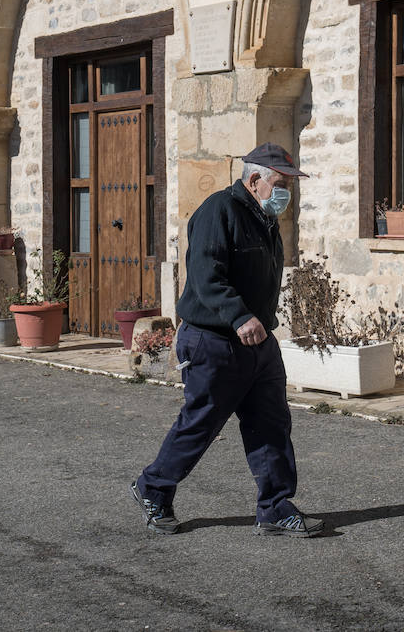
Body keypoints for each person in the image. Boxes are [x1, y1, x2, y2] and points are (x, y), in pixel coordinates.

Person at [130, 143, 325, 538]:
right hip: (214, 341)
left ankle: (275, 507)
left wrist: (257, 323)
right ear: (254, 180)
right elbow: (207, 276)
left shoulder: (264, 217)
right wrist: (239, 316)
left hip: (258, 342)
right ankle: (153, 487)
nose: (287, 192)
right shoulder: (218, 211)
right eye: (281, 183)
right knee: (201, 423)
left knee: (271, 424)